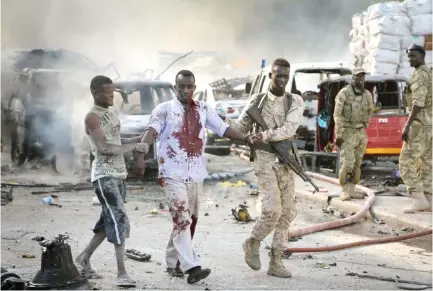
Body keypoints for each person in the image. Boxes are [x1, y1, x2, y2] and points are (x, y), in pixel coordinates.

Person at [136, 69, 251, 284]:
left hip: (196, 174)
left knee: (189, 221)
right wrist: (141, 155)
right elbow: (151, 132)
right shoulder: (164, 110)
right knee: (182, 218)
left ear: (194, 88)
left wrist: (247, 139)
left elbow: (224, 129)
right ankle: (193, 267)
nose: (186, 90)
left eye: (189, 87)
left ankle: (174, 263)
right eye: (182, 87)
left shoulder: (204, 109)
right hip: (171, 172)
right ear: (175, 88)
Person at [225, 58, 304, 278]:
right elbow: (242, 127)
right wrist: (222, 121)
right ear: (270, 75)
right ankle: (253, 241)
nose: (282, 80)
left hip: (286, 159)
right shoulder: (257, 101)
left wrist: (264, 134)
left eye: (286, 76)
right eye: (278, 75)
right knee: (272, 209)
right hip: (264, 159)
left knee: (287, 212)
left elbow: (289, 128)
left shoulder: (295, 101)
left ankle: (276, 261)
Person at [75, 75, 149, 288]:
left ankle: (84, 257)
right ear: (95, 93)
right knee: (118, 219)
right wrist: (134, 148)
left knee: (107, 222)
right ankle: (121, 273)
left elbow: (117, 142)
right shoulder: (92, 117)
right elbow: (104, 148)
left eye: (113, 92)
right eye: (108, 93)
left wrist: (137, 139)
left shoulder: (112, 112)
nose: (111, 96)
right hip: (104, 176)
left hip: (119, 175)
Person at [399, 44, 432, 213]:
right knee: (427, 162)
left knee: (405, 161)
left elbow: (418, 102)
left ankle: (418, 198)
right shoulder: (430, 72)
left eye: (413, 56)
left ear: (422, 56)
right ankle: (429, 200)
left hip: (420, 124)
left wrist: (407, 124)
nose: (410, 59)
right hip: (431, 125)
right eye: (409, 56)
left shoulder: (420, 75)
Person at [333, 68, 373, 201]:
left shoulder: (367, 94)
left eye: (362, 76)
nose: (360, 79)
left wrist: (364, 126)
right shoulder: (344, 93)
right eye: (357, 77)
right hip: (347, 132)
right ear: (353, 78)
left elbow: (370, 110)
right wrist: (339, 134)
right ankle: (344, 191)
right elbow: (337, 115)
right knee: (347, 163)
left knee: (357, 163)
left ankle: (352, 189)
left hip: (361, 133)